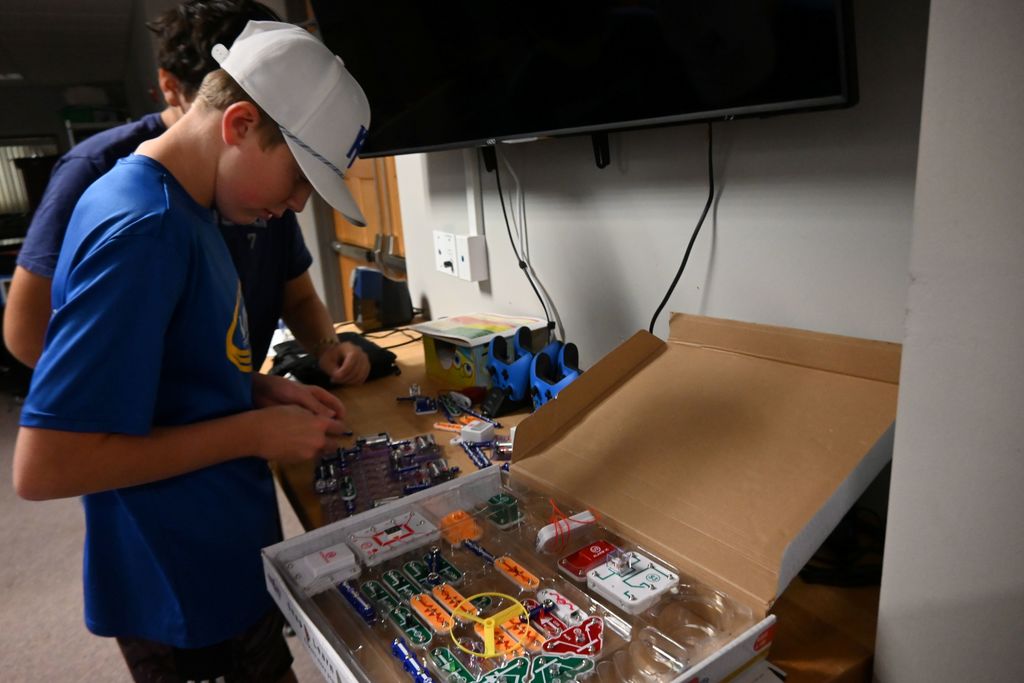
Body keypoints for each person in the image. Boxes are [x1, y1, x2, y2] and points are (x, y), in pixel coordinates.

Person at [13, 21, 371, 683]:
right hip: (176, 590)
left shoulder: (194, 208)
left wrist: (257, 390)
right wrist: (251, 431)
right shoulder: (143, 229)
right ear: (238, 124)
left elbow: (166, 368)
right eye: (299, 179)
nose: (296, 204)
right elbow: (46, 464)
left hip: (219, 561)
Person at [2, 0, 369, 386]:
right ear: (173, 88)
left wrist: (309, 357)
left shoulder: (258, 191)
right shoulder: (117, 187)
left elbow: (296, 295)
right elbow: (29, 333)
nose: (296, 203)